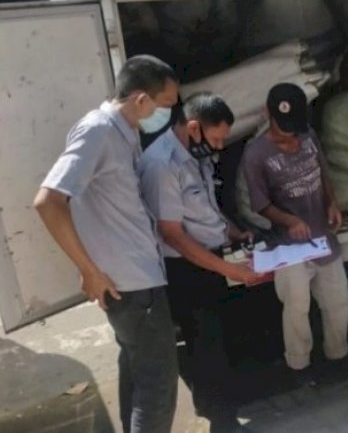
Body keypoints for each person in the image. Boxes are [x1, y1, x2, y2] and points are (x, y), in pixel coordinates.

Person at [33, 55, 180, 433]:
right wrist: (88, 271)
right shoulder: (98, 130)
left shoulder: (124, 130)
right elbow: (49, 201)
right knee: (157, 387)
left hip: (137, 279)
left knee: (138, 374)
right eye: (165, 106)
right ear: (140, 100)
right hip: (131, 285)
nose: (167, 115)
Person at [139, 92, 266, 433]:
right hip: (187, 268)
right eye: (216, 138)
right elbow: (173, 234)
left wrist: (235, 232)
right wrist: (229, 269)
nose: (220, 147)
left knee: (220, 340)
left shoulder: (195, 154)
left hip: (211, 259)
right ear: (193, 127)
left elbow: (206, 208)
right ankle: (222, 424)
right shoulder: (161, 164)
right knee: (205, 346)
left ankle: (219, 410)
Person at [242, 83, 348, 387]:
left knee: (338, 301)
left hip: (323, 237)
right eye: (284, 132)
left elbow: (323, 173)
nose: (291, 139)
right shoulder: (255, 154)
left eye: (294, 131)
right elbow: (260, 204)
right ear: (268, 115)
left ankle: (339, 355)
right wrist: (289, 220)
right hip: (287, 246)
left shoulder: (308, 136)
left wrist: (332, 203)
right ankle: (300, 366)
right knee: (297, 307)